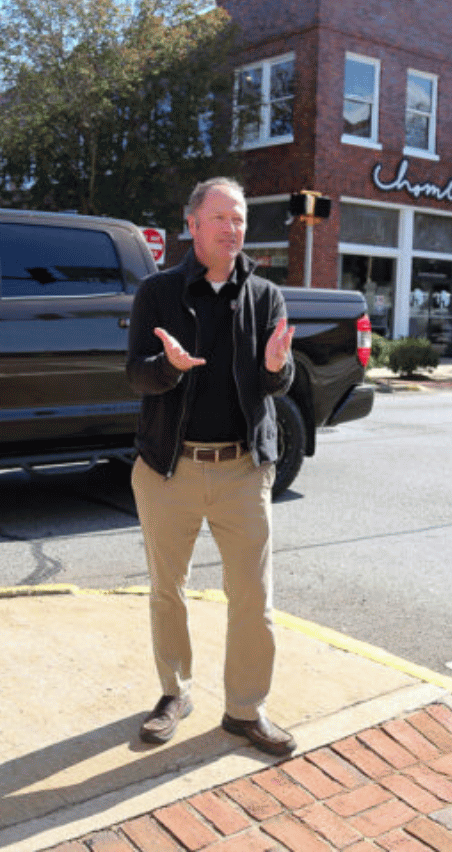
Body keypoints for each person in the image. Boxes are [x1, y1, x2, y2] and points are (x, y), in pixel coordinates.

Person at [125, 177, 298, 756]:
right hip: (169, 467)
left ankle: (245, 710)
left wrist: (277, 368)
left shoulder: (266, 294)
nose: (233, 228)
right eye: (221, 218)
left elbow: (277, 378)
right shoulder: (157, 292)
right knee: (165, 588)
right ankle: (174, 694)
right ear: (192, 224)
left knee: (254, 595)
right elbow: (135, 374)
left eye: (241, 219)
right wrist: (169, 366)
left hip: (242, 470)